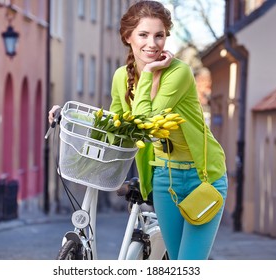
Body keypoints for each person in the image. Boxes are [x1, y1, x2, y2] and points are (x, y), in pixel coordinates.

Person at [49, 0, 228, 260]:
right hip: (164, 178)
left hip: (202, 177)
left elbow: (145, 120)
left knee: (190, 265)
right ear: (128, 37)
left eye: (159, 35)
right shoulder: (121, 77)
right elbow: (117, 125)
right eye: (143, 35)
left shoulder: (179, 73)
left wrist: (148, 74)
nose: (152, 43)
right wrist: (67, 113)